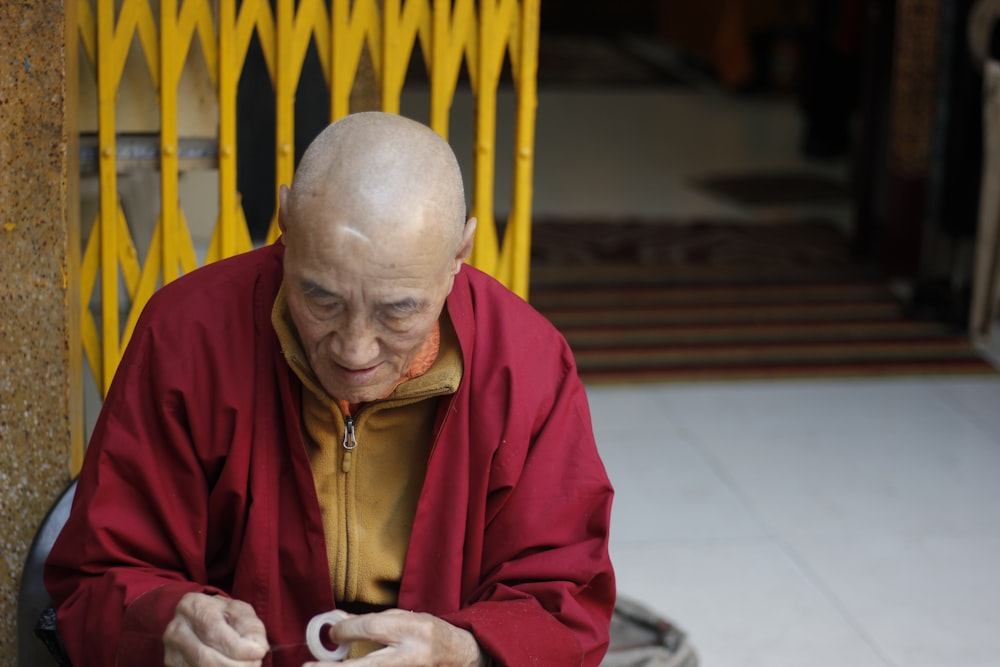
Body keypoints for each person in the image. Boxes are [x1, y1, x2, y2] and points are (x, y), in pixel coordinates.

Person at [45, 111, 616, 667]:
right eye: (322, 299)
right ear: (286, 222)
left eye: (398, 311)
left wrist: (466, 652)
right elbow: (97, 576)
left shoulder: (526, 364)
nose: (354, 350)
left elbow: (565, 604)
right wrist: (167, 626)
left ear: (458, 257)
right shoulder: (188, 335)